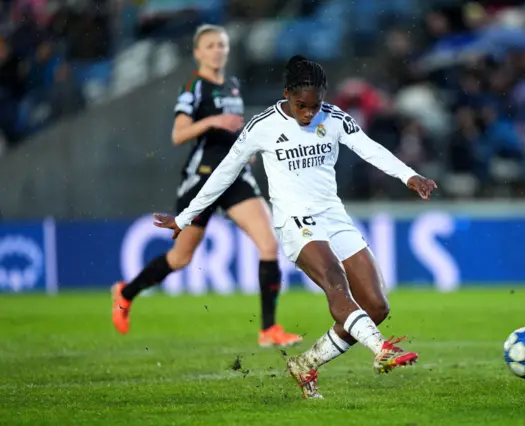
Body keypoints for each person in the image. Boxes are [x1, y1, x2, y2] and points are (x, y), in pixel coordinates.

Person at [153, 55, 437, 399]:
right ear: (287, 94)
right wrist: (185, 217)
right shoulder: (262, 126)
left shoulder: (333, 118)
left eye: (315, 106)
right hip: (295, 222)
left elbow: (369, 148)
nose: (308, 114)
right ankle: (381, 350)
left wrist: (409, 175)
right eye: (301, 106)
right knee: (336, 284)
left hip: (334, 217)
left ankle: (305, 364)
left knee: (376, 306)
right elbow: (223, 174)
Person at [111, 25, 302, 348]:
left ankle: (268, 329)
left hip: (235, 177)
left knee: (269, 244)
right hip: (202, 177)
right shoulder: (194, 87)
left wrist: (247, 150)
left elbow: (236, 132)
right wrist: (213, 122)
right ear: (198, 53)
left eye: (222, 45)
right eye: (210, 45)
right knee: (181, 258)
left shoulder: (232, 86)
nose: (217, 50)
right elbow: (178, 133)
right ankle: (125, 293)